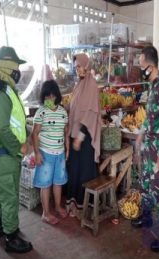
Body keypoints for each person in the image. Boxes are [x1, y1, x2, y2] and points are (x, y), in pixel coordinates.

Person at [0, 46, 32, 253]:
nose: (18, 71)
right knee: (10, 197)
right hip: (5, 154)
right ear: (6, 66)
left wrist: (26, 132)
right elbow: (2, 128)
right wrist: (20, 146)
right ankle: (11, 237)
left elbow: (14, 120)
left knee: (5, 195)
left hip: (8, 155)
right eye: (15, 66)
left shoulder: (8, 89)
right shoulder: (0, 93)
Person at [131, 46, 159, 252]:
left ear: (150, 65)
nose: (141, 69)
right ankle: (147, 218)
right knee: (146, 185)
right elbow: (150, 117)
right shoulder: (153, 86)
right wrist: (140, 135)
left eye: (142, 66)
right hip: (149, 146)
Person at [66, 53, 101, 218]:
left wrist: (80, 136)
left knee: (83, 172)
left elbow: (91, 114)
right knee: (74, 170)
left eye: (79, 66)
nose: (78, 70)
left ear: (86, 66)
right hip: (75, 136)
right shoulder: (78, 84)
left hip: (84, 138)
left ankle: (83, 207)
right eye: (76, 67)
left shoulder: (92, 85)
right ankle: (73, 203)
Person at [32, 80, 69, 224]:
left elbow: (66, 132)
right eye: (47, 97)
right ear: (43, 97)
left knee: (58, 182)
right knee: (45, 184)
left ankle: (58, 207)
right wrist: (36, 153)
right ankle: (45, 213)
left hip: (59, 153)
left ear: (57, 96)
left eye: (52, 96)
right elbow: (34, 134)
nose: (50, 100)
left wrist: (68, 150)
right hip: (45, 153)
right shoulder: (41, 112)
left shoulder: (62, 112)